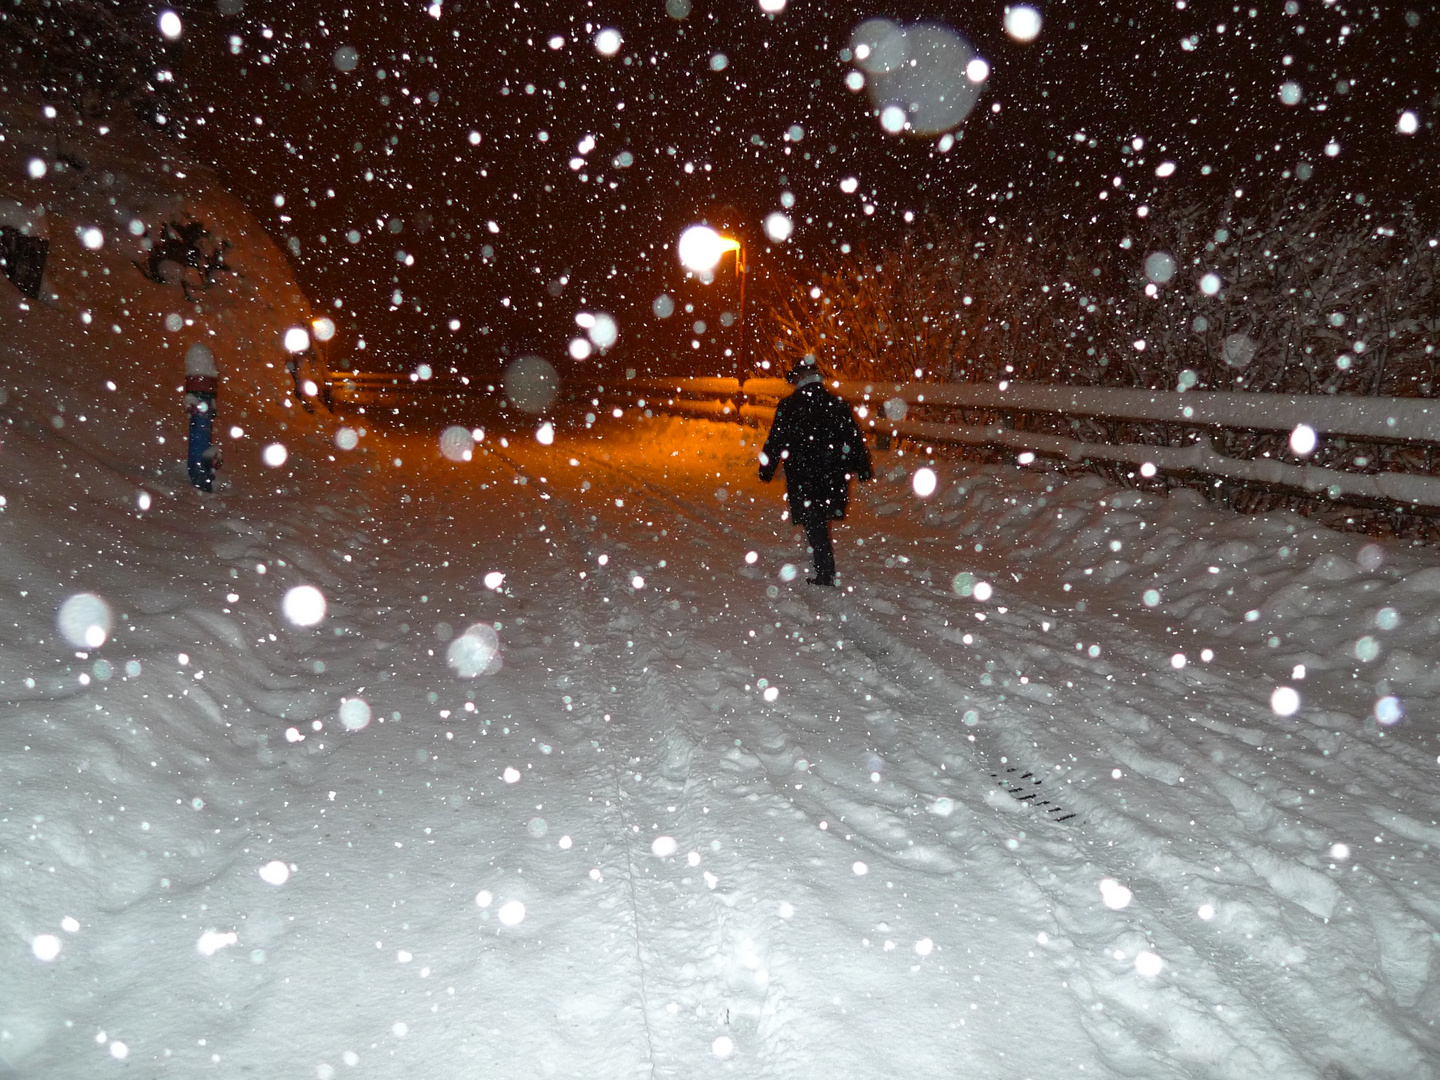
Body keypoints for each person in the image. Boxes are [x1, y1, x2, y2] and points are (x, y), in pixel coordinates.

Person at [758, 354, 872, 586]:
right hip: (833, 472)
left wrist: (766, 468)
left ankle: (825, 572)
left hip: (804, 474)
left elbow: (775, 440)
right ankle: (824, 567)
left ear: (799, 378)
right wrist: (862, 466)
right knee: (819, 518)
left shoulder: (789, 406)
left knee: (814, 521)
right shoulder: (837, 404)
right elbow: (853, 437)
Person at [184, 342, 221, 492]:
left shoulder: (198, 398)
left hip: (200, 394)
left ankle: (200, 477)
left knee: (199, 440)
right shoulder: (204, 398)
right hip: (202, 395)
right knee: (200, 438)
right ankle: (201, 478)